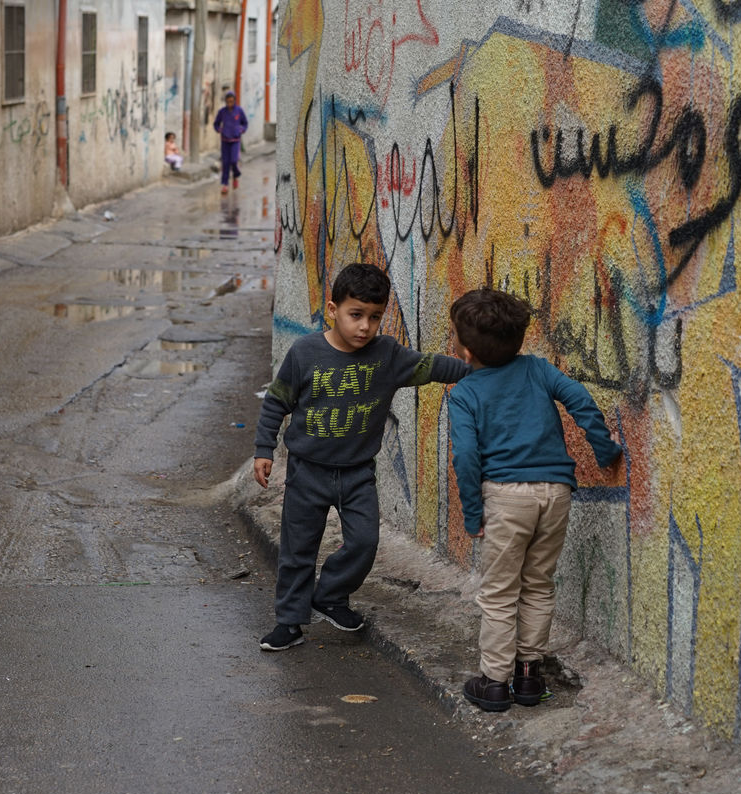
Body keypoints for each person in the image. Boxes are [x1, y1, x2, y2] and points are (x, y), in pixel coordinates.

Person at [253, 262, 469, 651]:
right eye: (356, 315)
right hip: (307, 471)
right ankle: (289, 622)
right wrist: (263, 450)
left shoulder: (387, 355)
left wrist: (478, 370)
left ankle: (330, 596)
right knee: (297, 550)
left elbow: (431, 366)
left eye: (374, 317)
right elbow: (276, 402)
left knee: (365, 542)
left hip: (357, 474)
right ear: (333, 310)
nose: (365, 327)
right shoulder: (305, 353)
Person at [446, 288, 623, 711]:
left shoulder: (465, 393)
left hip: (506, 497)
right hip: (556, 492)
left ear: (466, 351)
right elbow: (580, 400)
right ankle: (528, 676)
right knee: (539, 584)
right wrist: (605, 450)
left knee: (499, 591)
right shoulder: (538, 369)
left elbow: (466, 456)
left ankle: (494, 682)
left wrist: (473, 514)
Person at [213, 90, 248, 190]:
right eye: (228, 101)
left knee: (234, 160)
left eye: (231, 101)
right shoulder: (222, 112)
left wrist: (241, 130)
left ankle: (235, 175)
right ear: (226, 101)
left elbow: (245, 123)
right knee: (225, 163)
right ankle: (225, 184)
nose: (229, 103)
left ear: (234, 101)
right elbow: (216, 123)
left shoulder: (239, 111)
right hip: (225, 140)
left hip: (235, 140)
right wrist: (219, 129)